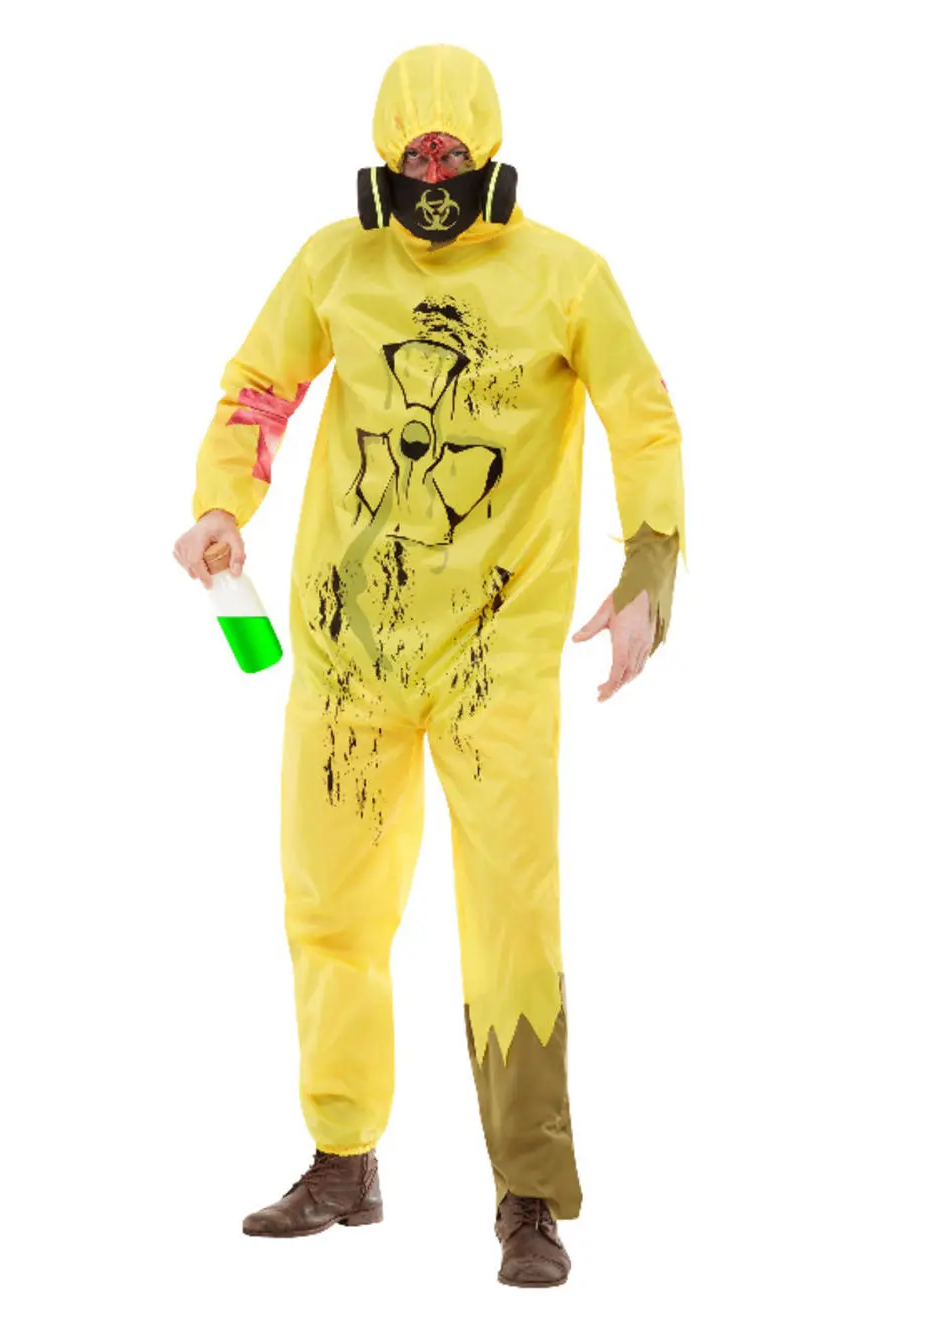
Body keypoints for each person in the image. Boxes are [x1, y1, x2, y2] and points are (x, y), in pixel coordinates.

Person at [173, 43, 684, 1289]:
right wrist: (223, 503)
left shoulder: (565, 277)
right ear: (385, 158)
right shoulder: (334, 264)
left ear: (491, 155)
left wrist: (650, 569)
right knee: (330, 909)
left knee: (511, 915)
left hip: (493, 660)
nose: (437, 175)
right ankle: (342, 1159)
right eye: (417, 154)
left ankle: (528, 1195)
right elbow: (259, 387)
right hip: (350, 653)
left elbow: (642, 415)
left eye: (456, 154)